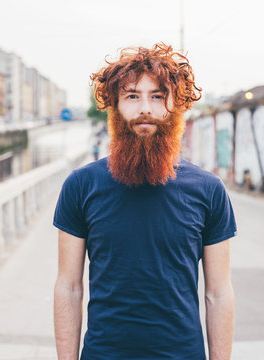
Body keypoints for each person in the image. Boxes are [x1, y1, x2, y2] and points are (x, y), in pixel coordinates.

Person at [53, 43, 237, 360]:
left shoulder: (208, 190)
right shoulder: (80, 186)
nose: (145, 109)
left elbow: (218, 294)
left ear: (175, 106)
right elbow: (69, 287)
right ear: (114, 106)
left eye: (157, 96)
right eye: (132, 96)